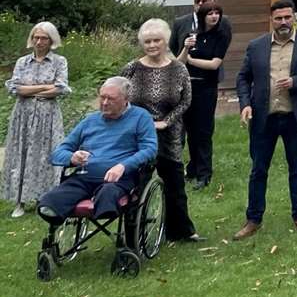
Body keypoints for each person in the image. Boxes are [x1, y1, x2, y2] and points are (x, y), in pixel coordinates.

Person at [233, 0, 297, 239]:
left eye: (288, 17)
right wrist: (245, 104)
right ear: (272, 20)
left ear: (294, 17)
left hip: (295, 117)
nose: (284, 22)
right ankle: (253, 219)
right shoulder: (257, 46)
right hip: (264, 118)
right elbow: (243, 78)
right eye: (279, 18)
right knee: (258, 170)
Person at [121, 18, 201, 243]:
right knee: (137, 182)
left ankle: (181, 230)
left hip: (169, 132)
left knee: (174, 182)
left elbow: (185, 101)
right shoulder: (131, 68)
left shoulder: (179, 68)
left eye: (156, 40)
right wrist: (138, 121)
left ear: (165, 41)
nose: (152, 45)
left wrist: (167, 121)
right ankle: (133, 233)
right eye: (147, 41)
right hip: (137, 133)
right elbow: (120, 97)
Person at [37, 77, 156, 225]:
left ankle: (108, 214)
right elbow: (59, 152)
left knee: (107, 196)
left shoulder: (140, 117)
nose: (105, 103)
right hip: (84, 177)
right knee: (49, 202)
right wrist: (72, 157)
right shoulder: (89, 120)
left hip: (118, 180)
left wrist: (123, 166)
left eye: (111, 99)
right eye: (102, 97)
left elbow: (150, 149)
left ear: (126, 99)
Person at [5, 21, 69, 218]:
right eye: (36, 37)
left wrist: (31, 88)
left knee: (46, 154)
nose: (39, 42)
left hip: (47, 116)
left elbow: (60, 88)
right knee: (21, 153)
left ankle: (46, 198)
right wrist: (44, 87)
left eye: (44, 38)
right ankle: (19, 201)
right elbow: (16, 88)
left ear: (52, 41)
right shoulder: (22, 62)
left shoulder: (59, 61)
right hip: (23, 115)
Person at [178, 0, 229, 188]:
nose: (214, 16)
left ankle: (204, 173)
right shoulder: (192, 35)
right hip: (188, 87)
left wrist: (191, 61)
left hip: (206, 88)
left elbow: (214, 64)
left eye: (217, 13)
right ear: (203, 16)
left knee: (203, 131)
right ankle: (192, 168)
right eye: (210, 13)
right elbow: (179, 62)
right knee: (190, 130)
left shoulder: (221, 36)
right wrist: (185, 48)